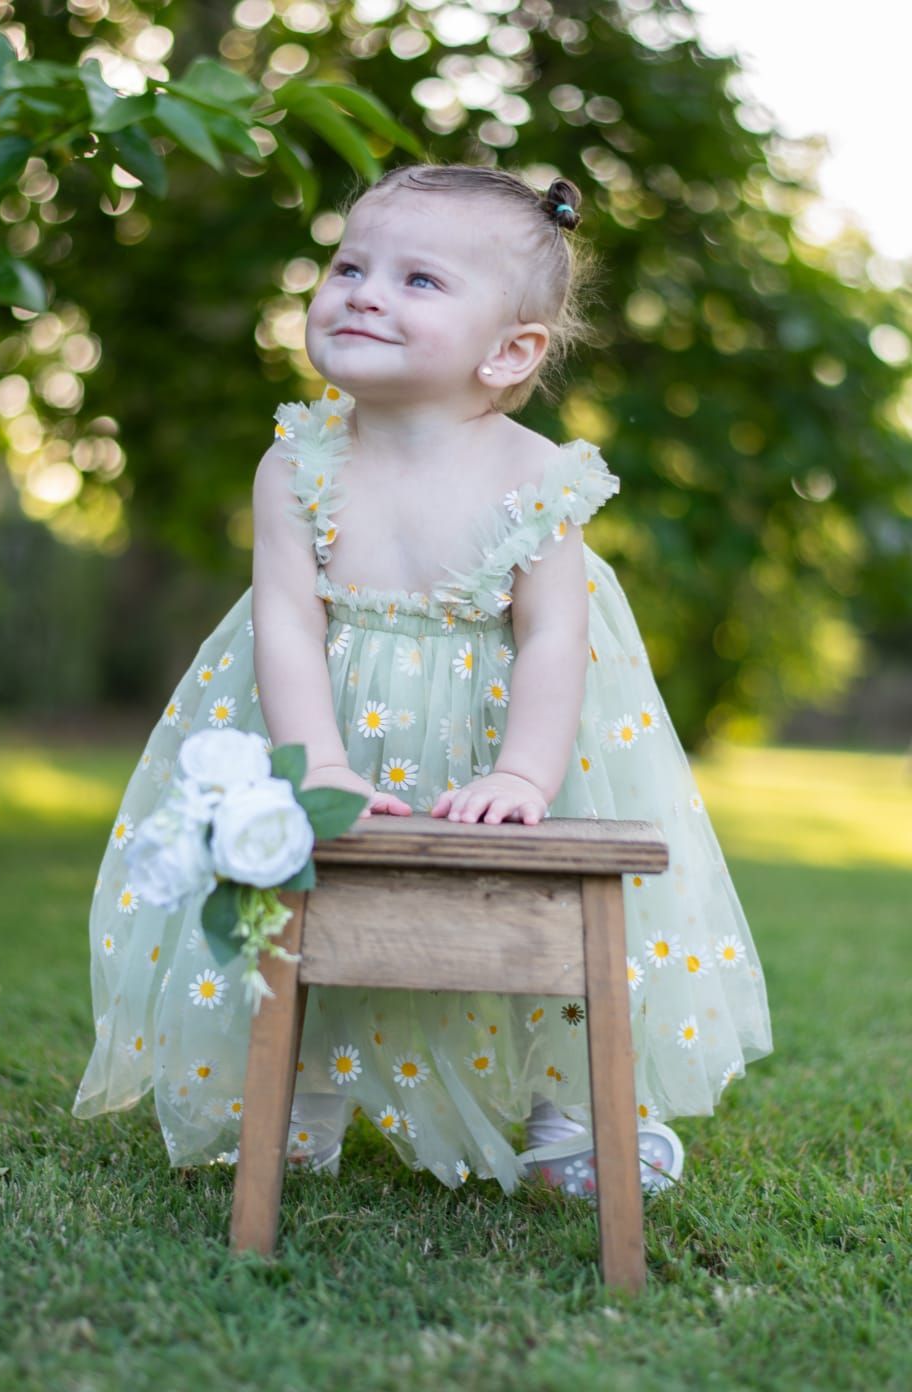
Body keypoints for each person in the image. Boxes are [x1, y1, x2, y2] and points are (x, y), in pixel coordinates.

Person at [72, 163, 772, 1200]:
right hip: (326, 715)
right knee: (293, 886)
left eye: (418, 281)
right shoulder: (297, 460)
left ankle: (566, 1109)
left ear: (510, 352)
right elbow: (286, 617)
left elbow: (549, 641)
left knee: (529, 911)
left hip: (506, 736)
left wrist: (527, 777)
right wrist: (312, 762)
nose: (363, 291)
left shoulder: (539, 477)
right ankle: (291, 1092)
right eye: (351, 264)